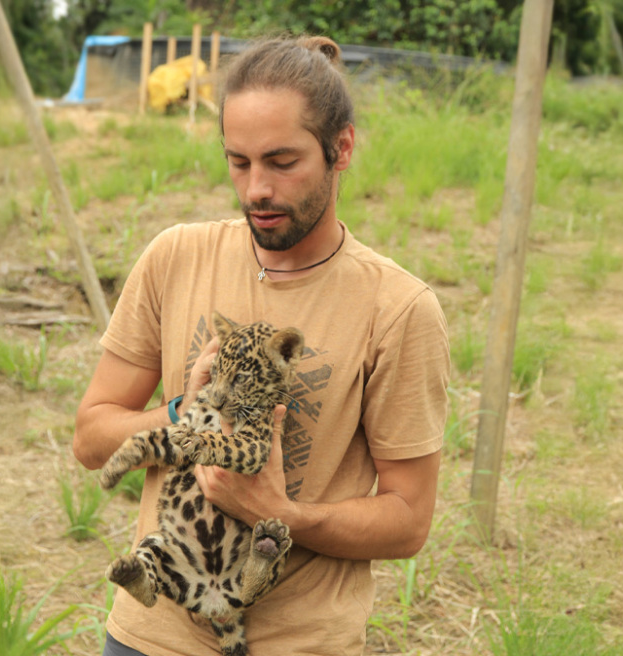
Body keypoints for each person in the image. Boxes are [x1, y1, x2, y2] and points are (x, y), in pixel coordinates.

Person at [74, 34, 450, 656]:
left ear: (342, 148)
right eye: (238, 161)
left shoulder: (398, 309)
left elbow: (409, 519)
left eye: (282, 161)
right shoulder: (176, 257)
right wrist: (183, 415)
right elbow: (91, 438)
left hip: (302, 643)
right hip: (151, 637)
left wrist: (282, 514)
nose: (255, 190)